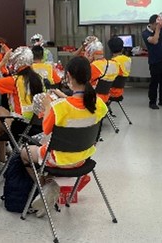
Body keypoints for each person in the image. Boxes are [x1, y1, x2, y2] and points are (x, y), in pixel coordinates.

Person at [20, 57, 108, 216]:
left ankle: (46, 186)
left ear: (68, 76)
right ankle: (49, 187)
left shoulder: (59, 108)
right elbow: (80, 107)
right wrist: (65, 97)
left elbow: (46, 130)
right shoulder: (99, 104)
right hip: (82, 158)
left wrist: (48, 105)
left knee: (24, 152)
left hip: (58, 160)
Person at [0, 47, 44, 174]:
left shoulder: (14, 80)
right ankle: (7, 150)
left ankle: (1, 160)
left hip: (20, 128)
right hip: (39, 126)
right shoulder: (38, 78)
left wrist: (2, 63)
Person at [142, 14, 162, 109]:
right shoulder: (145, 33)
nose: (158, 26)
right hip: (154, 61)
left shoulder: (159, 28)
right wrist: (158, 29)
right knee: (154, 82)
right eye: (156, 24)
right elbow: (154, 41)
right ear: (152, 24)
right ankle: (152, 102)